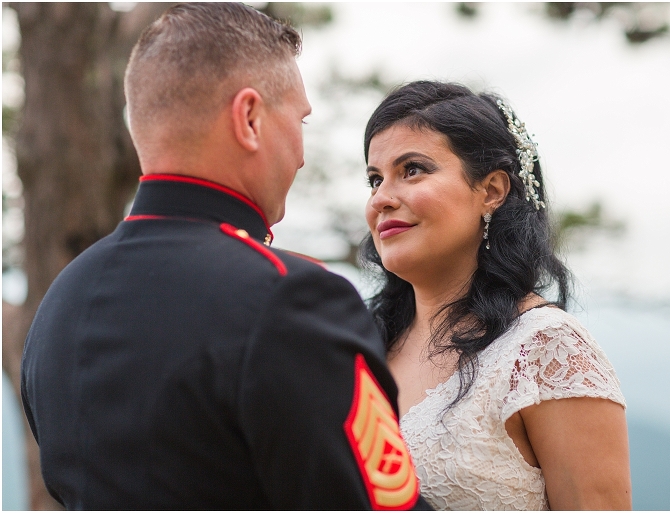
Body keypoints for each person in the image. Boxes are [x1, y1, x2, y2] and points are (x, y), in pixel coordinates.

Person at [20, 4, 430, 510]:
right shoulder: (289, 296)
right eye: (299, 119)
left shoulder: (60, 302)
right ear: (250, 118)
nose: (302, 152)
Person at [360, 80, 631, 510]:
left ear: (491, 191)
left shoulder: (546, 348)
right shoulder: (361, 341)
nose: (381, 200)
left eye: (412, 169)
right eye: (375, 179)